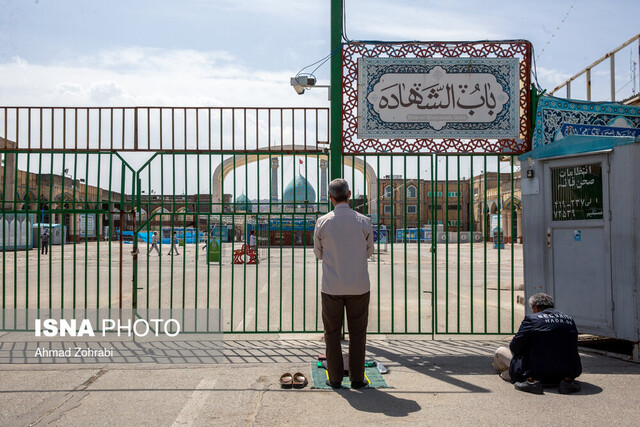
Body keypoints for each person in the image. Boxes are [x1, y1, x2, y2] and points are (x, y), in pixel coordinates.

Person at [314, 178, 374, 389]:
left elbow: (318, 254)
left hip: (331, 287)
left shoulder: (323, 222)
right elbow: (369, 252)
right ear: (349, 196)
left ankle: (335, 378)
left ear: (330, 198)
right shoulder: (364, 221)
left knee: (331, 333)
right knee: (358, 333)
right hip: (359, 286)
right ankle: (357, 379)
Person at [493, 292, 582, 394]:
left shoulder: (531, 320)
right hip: (567, 373)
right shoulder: (569, 320)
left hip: (536, 373)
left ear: (535, 307)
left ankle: (510, 374)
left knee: (499, 352)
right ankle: (565, 383)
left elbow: (514, 347)